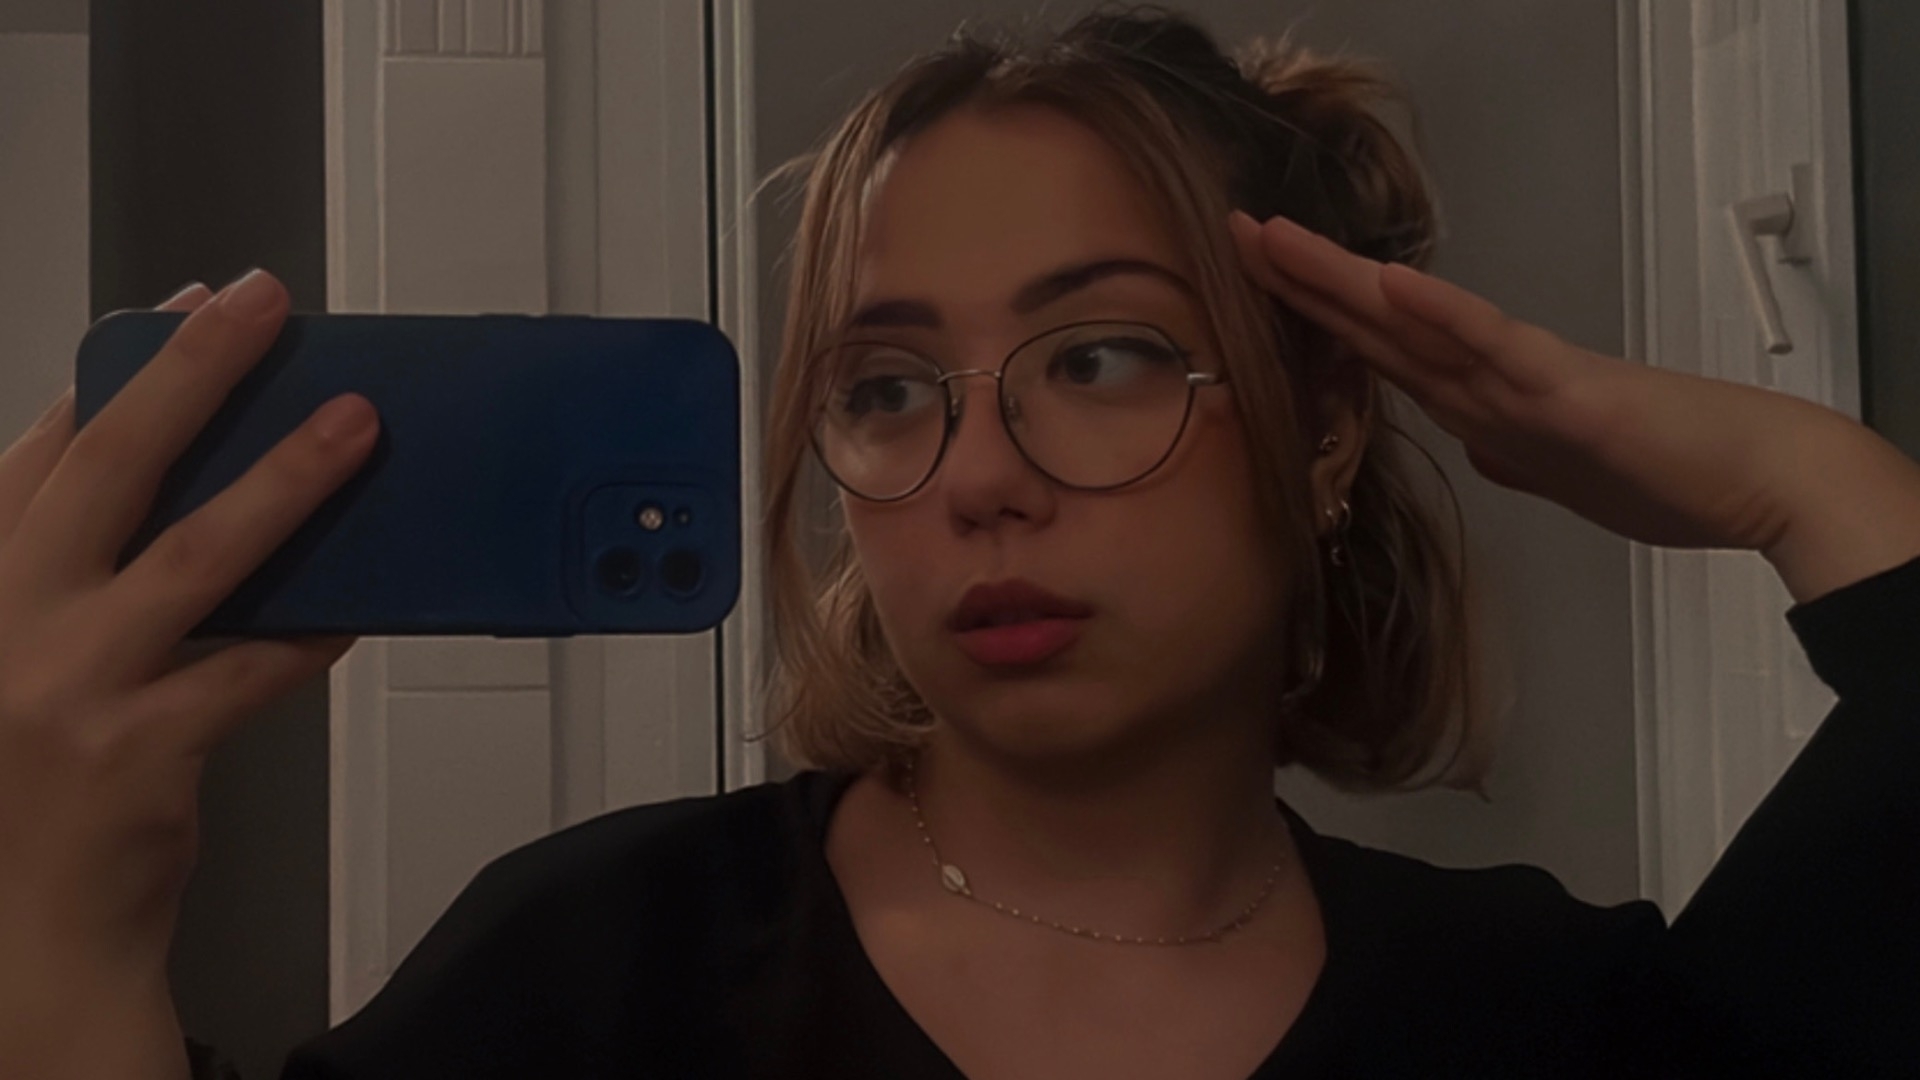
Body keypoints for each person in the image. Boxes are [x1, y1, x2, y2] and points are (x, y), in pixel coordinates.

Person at [5, 8, 1918, 1079]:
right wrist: (60, 945)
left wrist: (1819, 484)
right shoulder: (600, 967)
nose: (979, 474)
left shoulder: (1557, 1024)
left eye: (1096, 358)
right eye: (889, 385)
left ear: (1326, 425)